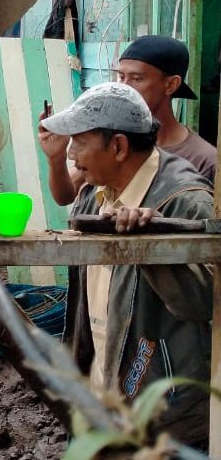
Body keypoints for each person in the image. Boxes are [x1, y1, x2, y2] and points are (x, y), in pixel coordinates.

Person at [39, 82, 212, 446]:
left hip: (160, 413)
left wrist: (152, 244)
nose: (71, 154)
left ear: (117, 146)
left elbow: (204, 302)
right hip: (100, 396)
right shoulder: (94, 195)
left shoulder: (184, 199)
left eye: (79, 141)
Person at [45, 35, 216, 206]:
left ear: (171, 85)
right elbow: (65, 196)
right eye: (121, 77)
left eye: (136, 79)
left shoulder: (205, 160)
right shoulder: (109, 143)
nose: (124, 87)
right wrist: (56, 158)